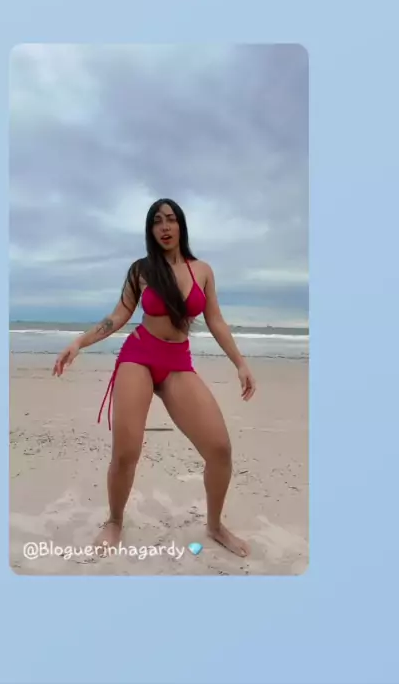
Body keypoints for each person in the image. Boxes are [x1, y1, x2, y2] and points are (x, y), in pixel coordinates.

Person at [53, 199, 256, 557]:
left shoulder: (202, 271)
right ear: (150, 230)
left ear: (181, 226)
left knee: (220, 449)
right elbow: (118, 316)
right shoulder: (142, 270)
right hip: (140, 356)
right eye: (157, 221)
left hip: (178, 362)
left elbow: (215, 320)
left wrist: (240, 363)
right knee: (126, 452)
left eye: (171, 220)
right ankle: (115, 521)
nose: (165, 227)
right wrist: (79, 342)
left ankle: (214, 525)